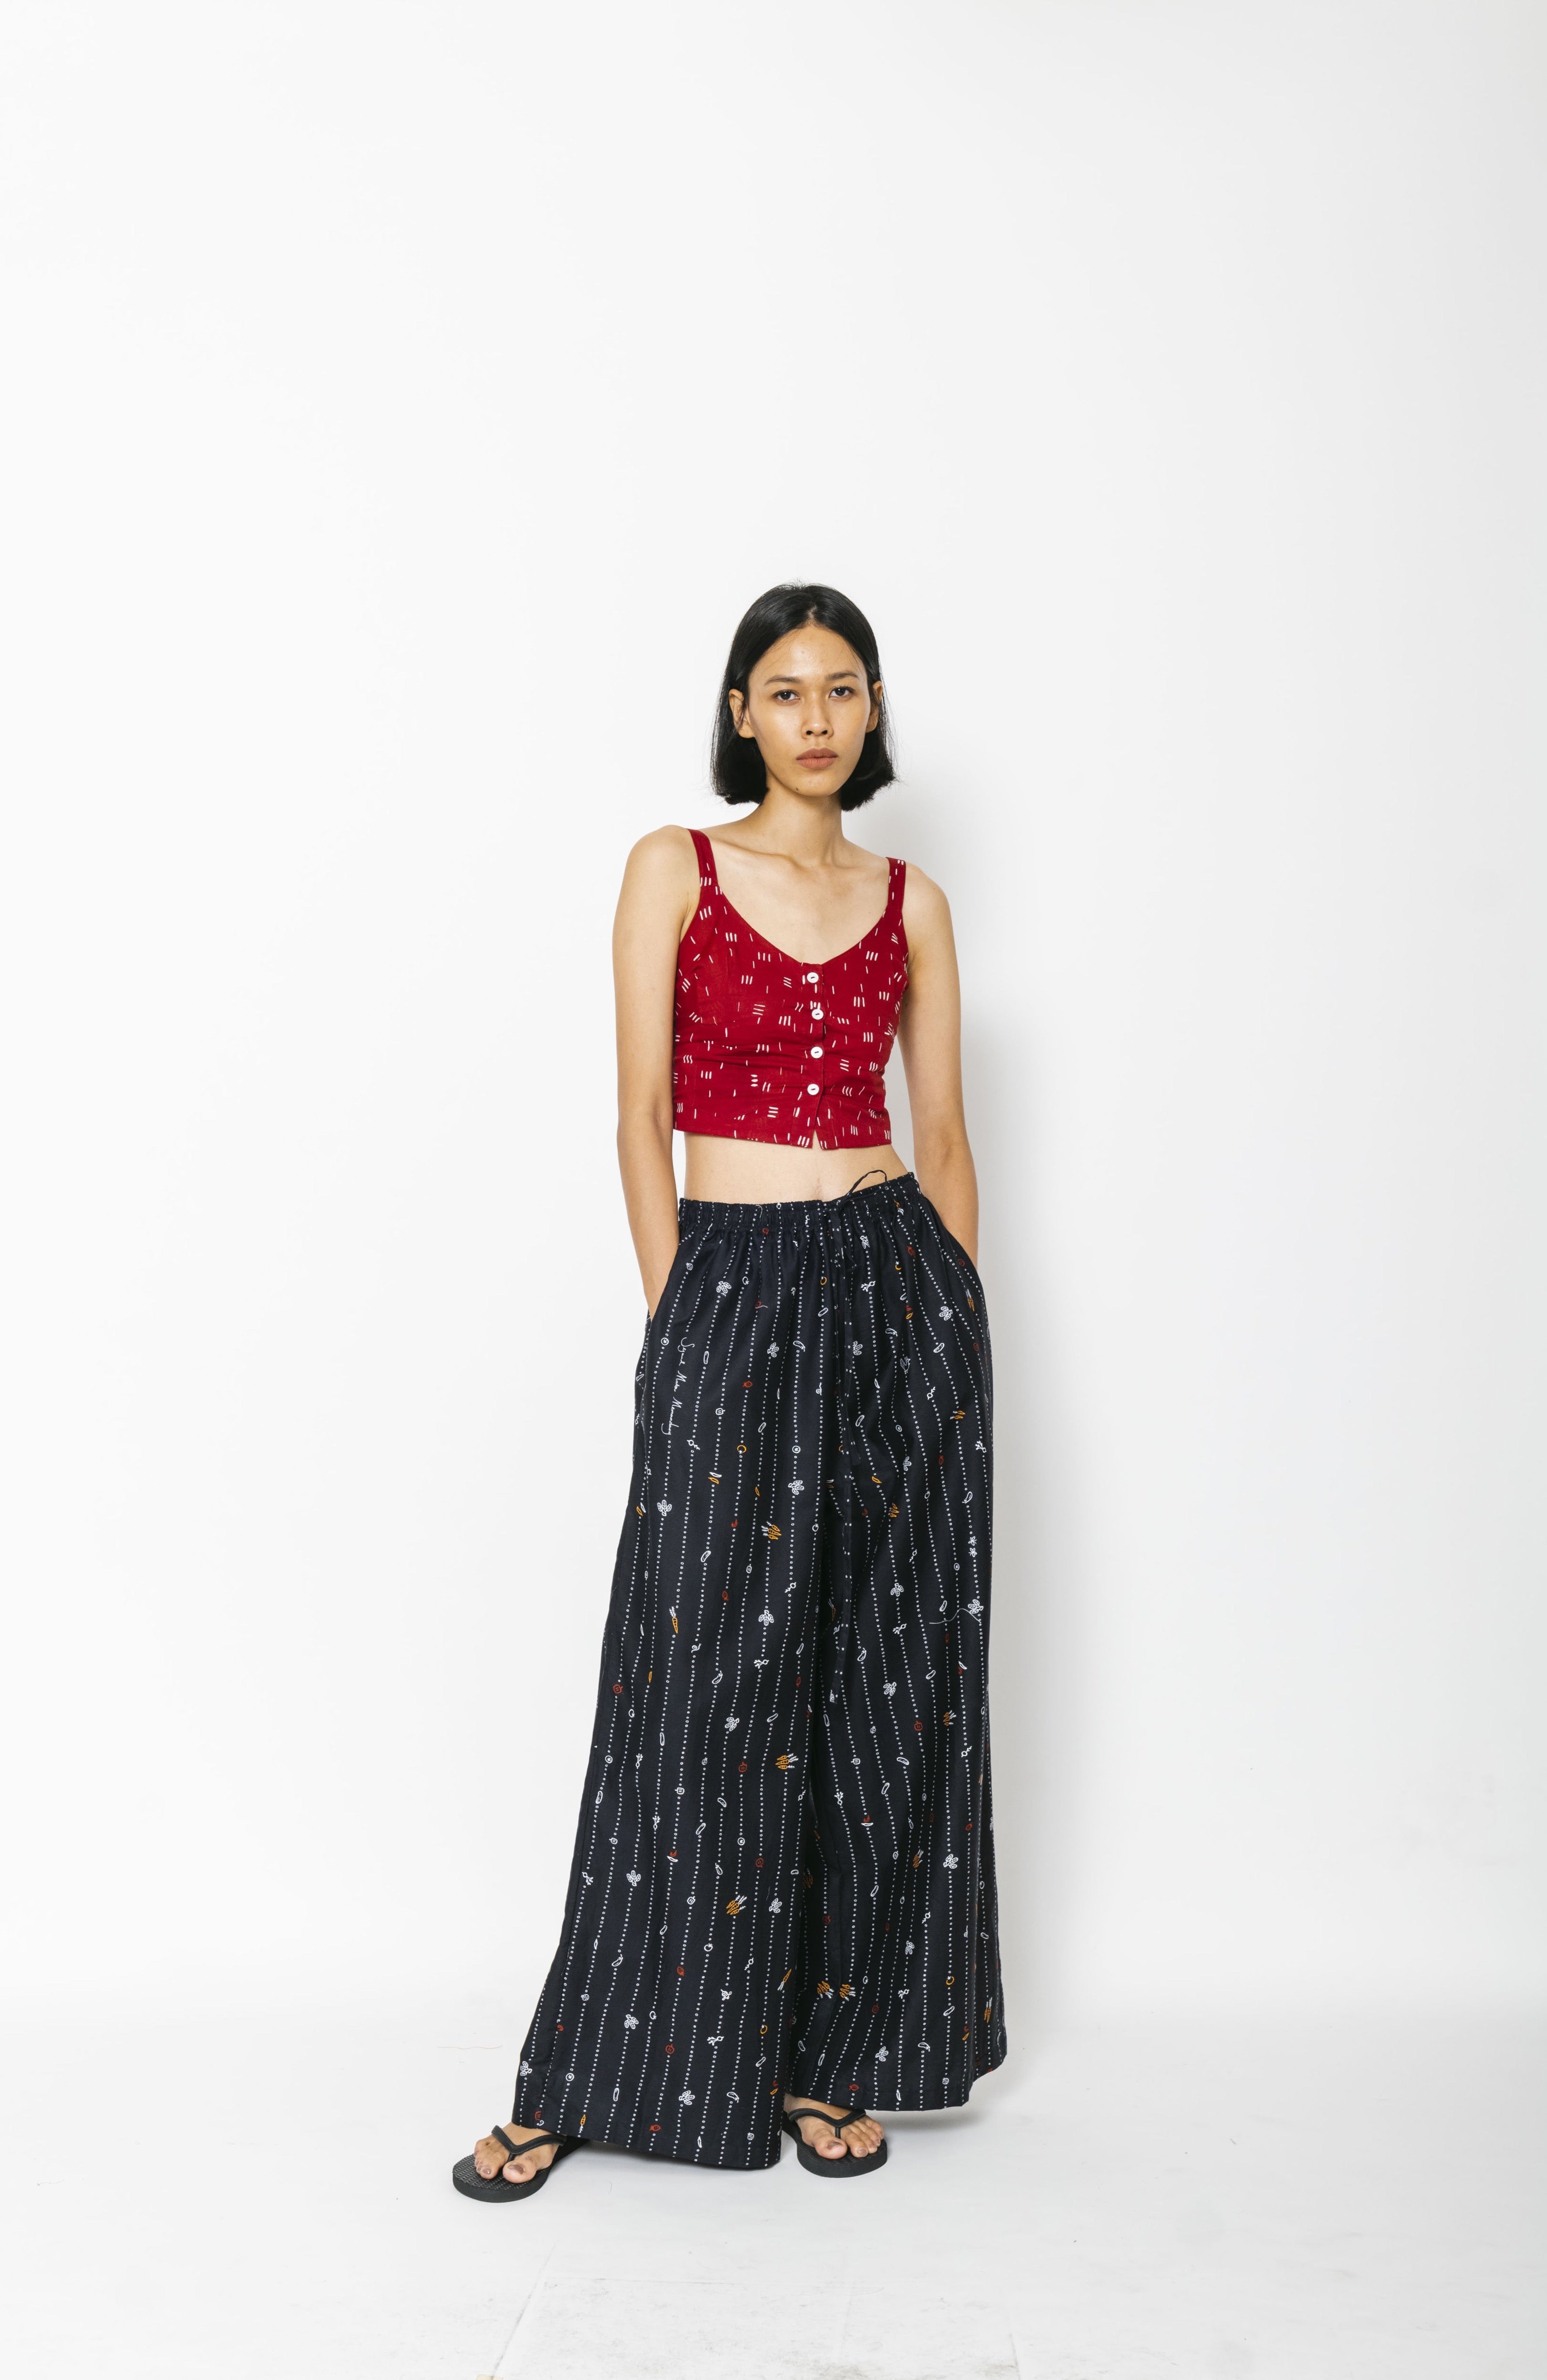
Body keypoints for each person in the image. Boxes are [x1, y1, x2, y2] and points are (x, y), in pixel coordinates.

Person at [452, 582, 1005, 2199]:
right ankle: (593, 2071)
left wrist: (956, 1327)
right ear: (742, 712)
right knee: (689, 1677)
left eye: (843, 687)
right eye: (785, 688)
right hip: (730, 1278)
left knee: (881, 1677)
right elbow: (639, 1115)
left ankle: (835, 2057)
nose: (816, 716)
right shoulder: (675, 870)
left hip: (897, 1283)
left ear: (874, 709)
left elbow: (946, 1134)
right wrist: (679, 1310)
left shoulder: (912, 900)